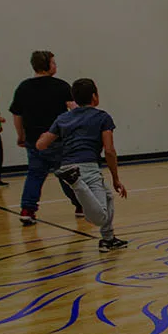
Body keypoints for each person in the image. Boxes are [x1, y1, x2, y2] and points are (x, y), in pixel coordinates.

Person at [36, 79, 128, 253]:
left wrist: (42, 137)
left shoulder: (63, 118)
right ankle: (76, 182)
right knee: (100, 217)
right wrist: (116, 178)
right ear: (94, 96)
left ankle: (108, 239)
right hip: (88, 167)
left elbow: (41, 145)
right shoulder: (102, 117)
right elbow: (109, 150)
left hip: (66, 165)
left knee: (108, 196)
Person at [10, 50, 83, 225]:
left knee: (35, 174)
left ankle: (27, 210)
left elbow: (17, 115)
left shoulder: (23, 87)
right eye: (53, 63)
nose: (56, 66)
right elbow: (75, 109)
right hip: (57, 139)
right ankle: (80, 205)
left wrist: (21, 135)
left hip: (34, 140)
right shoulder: (61, 86)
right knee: (67, 174)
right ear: (47, 65)